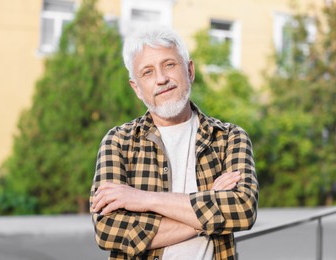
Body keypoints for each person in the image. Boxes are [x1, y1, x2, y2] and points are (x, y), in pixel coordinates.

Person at [89, 26, 258, 260]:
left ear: (189, 70)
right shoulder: (118, 142)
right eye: (147, 72)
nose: (162, 79)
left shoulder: (229, 138)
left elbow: (242, 209)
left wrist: (144, 199)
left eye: (169, 65)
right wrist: (210, 204)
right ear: (136, 88)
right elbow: (109, 231)